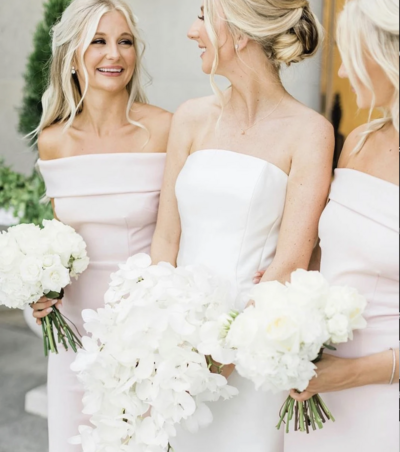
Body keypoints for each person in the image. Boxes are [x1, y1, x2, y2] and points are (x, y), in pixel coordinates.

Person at [151, 0, 334, 450]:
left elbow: (291, 261)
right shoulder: (191, 117)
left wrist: (222, 356)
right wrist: (162, 337)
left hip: (251, 353)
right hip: (175, 352)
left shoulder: (310, 132)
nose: (192, 32)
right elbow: (166, 237)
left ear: (238, 32)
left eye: (201, 15)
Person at [30, 1, 172, 450]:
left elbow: (179, 233)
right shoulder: (53, 142)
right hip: (75, 341)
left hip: (146, 335)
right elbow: (61, 241)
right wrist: (42, 288)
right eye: (99, 41)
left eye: (125, 41)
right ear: (73, 55)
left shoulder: (166, 130)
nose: (115, 54)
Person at [284, 0, 400, 450]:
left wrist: (346, 375)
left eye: (350, 57)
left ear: (385, 53)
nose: (346, 75)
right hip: (316, 394)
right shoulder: (359, 142)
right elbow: (326, 253)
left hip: (382, 401)